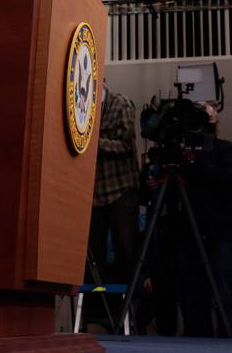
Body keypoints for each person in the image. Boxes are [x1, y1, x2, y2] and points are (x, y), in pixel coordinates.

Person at [176, 100, 232, 338]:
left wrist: (199, 157)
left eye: (206, 121)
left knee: (226, 302)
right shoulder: (182, 158)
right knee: (193, 305)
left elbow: (227, 182)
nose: (199, 127)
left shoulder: (228, 150)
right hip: (190, 238)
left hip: (221, 237)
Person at [83, 85, 141, 331]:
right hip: (94, 194)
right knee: (94, 258)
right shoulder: (83, 106)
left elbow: (125, 146)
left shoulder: (122, 103)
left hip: (121, 189)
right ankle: (97, 313)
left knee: (125, 252)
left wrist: (91, 139)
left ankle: (125, 311)